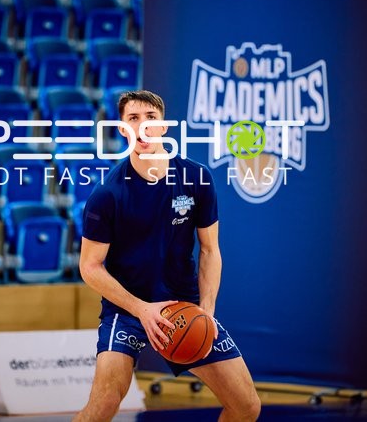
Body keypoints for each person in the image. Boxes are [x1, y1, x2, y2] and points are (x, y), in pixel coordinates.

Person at [74, 90, 261, 421]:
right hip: (128, 310)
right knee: (104, 403)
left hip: (183, 308)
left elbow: (210, 250)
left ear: (163, 127)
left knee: (247, 406)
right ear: (122, 129)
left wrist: (207, 310)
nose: (143, 126)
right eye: (133, 119)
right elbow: (89, 267)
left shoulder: (196, 178)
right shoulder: (107, 195)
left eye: (150, 118)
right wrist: (141, 309)